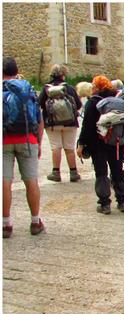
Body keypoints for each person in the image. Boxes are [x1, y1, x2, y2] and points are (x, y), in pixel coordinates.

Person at [3, 57, 45, 238]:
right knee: (31, 180)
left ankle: (6, 224)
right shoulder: (28, 90)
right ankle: (35, 222)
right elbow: (39, 119)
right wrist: (39, 142)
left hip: (3, 141)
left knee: (4, 181)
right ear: (16, 70)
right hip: (28, 139)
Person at [76, 76, 124, 214]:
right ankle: (122, 200)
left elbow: (87, 126)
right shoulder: (118, 100)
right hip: (117, 142)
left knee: (101, 173)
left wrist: (81, 144)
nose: (91, 87)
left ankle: (105, 204)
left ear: (98, 87)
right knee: (118, 170)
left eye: (93, 85)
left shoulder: (92, 102)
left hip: (97, 142)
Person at [38, 64, 82, 183]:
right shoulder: (70, 88)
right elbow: (78, 105)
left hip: (52, 123)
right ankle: (73, 173)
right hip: (70, 123)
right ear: (63, 74)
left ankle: (56, 172)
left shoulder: (46, 88)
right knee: (69, 148)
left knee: (55, 147)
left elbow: (40, 104)